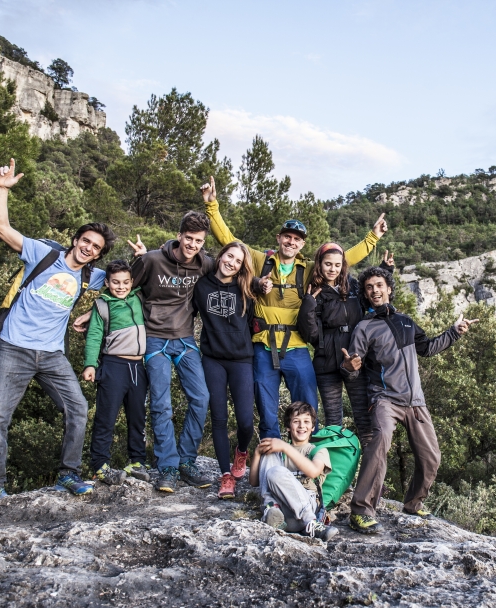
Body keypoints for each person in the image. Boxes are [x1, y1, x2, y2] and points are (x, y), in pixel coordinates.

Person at [200, 176, 388, 440]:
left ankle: (310, 460)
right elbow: (228, 240)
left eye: (297, 239)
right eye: (287, 236)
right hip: (263, 345)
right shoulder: (259, 260)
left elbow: (343, 259)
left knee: (308, 408)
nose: (291, 242)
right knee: (266, 409)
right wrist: (212, 206)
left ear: (302, 244)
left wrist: (373, 237)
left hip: (297, 346)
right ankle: (271, 458)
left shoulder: (309, 268)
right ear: (279, 238)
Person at [0, 159, 114, 504]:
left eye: (96, 247)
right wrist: (1, 189)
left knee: (78, 408)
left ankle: (68, 474)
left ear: (99, 254)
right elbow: (1, 228)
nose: (89, 248)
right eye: (86, 241)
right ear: (75, 239)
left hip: (52, 354)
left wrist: (94, 313)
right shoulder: (42, 253)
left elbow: (126, 288)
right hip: (14, 347)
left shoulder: (92, 277)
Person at [78, 213, 215, 493]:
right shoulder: (152, 260)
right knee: (161, 403)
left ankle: (186, 461)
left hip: (186, 339)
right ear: (179, 235)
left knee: (201, 397)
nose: (192, 245)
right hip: (154, 341)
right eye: (188, 238)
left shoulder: (206, 263)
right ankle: (167, 466)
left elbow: (229, 271)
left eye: (199, 241)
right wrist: (91, 312)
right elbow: (121, 289)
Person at [341, 266, 477, 534]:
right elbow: (353, 366)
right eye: (369, 288)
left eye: (379, 285)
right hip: (384, 400)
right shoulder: (364, 327)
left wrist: (454, 332)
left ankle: (414, 503)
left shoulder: (406, 322)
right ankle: (361, 511)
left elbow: (426, 347)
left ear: (389, 289)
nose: (374, 290)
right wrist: (349, 365)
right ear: (366, 295)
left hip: (415, 401)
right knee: (380, 443)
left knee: (431, 457)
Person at [299, 245, 394, 446]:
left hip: (356, 359)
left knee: (364, 418)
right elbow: (310, 335)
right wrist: (307, 306)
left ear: (343, 266)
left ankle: (369, 470)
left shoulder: (353, 286)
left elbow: (372, 296)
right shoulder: (314, 291)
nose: (332, 269)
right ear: (319, 264)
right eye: (328, 264)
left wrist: (385, 270)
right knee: (333, 421)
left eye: (337, 264)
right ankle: (337, 472)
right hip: (327, 363)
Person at [191, 241, 257, 499]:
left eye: (238, 260)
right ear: (220, 256)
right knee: (218, 417)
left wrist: (263, 283)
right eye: (229, 256)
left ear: (242, 266)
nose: (232, 262)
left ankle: (241, 453)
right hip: (213, 359)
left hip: (242, 359)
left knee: (245, 421)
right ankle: (225, 476)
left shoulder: (246, 287)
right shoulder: (202, 285)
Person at [81, 259, 150, 485]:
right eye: (115, 282)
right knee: (106, 417)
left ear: (132, 282)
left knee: (138, 416)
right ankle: (100, 465)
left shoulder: (139, 297)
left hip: (138, 367)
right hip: (113, 366)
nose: (121, 287)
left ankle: (137, 461)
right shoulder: (102, 305)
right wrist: (90, 364)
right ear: (107, 283)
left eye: (125, 282)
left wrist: (143, 254)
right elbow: (94, 336)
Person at [248, 402, 339, 541]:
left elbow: (314, 471)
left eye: (306, 422)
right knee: (268, 453)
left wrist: (285, 447)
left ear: (313, 427)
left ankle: (312, 524)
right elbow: (254, 482)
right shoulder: (278, 453)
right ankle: (270, 509)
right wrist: (258, 453)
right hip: (282, 516)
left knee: (275, 471)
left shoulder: (317, 451)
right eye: (296, 421)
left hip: (306, 511)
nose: (302, 426)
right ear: (288, 427)